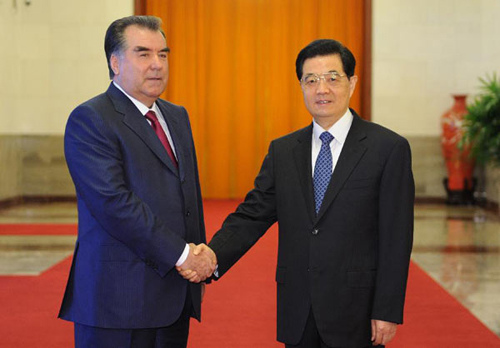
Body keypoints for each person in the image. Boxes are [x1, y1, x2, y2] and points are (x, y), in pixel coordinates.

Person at [183, 39, 414, 347]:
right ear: (301, 86)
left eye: (333, 78)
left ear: (352, 82)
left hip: (356, 312)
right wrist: (212, 256)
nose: (322, 89)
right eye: (312, 80)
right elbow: (253, 214)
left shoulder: (387, 149)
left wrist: (387, 309)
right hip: (298, 308)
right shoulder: (284, 151)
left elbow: (397, 238)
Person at [58, 15, 216, 348]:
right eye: (143, 54)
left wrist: (197, 264)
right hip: (118, 301)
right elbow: (115, 204)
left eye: (163, 54)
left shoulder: (176, 116)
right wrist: (183, 256)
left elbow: (188, 196)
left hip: (174, 295)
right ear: (115, 62)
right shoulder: (92, 119)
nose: (157, 64)